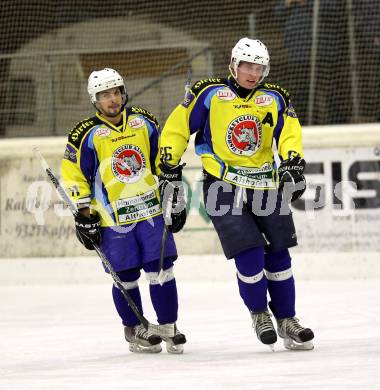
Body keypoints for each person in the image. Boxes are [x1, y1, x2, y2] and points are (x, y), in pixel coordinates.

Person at [157, 38, 314, 351]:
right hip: (222, 184)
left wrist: (292, 161)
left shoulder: (275, 96)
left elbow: (288, 133)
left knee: (279, 253)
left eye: (259, 67)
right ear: (234, 64)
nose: (253, 73)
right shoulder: (209, 92)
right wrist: (168, 161)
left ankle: (287, 319)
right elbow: (178, 126)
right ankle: (260, 314)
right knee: (249, 252)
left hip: (265, 183)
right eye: (247, 66)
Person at [61, 68, 186, 354]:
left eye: (116, 92)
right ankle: (135, 328)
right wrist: (84, 213)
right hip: (111, 219)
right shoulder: (86, 134)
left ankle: (168, 325)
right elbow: (74, 175)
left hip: (150, 211)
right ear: (95, 100)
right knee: (126, 275)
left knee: (162, 269)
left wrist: (173, 193)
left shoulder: (144, 121)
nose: (113, 99)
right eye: (105, 95)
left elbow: (161, 161)